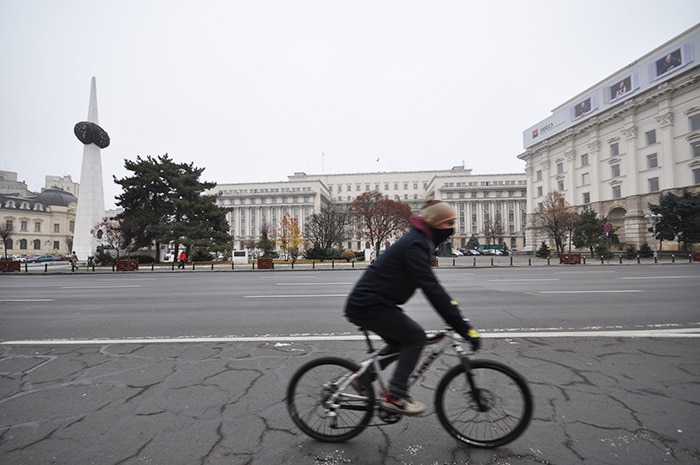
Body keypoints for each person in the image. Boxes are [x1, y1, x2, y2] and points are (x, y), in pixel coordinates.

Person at [344, 199, 480, 416]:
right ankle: (395, 396)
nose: (452, 228)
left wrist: (456, 317)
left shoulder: (419, 242)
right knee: (415, 337)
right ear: (435, 224)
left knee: (401, 343)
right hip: (369, 305)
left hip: (374, 303)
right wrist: (462, 326)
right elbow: (432, 289)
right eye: (448, 223)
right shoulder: (416, 245)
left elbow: (433, 288)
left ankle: (363, 379)